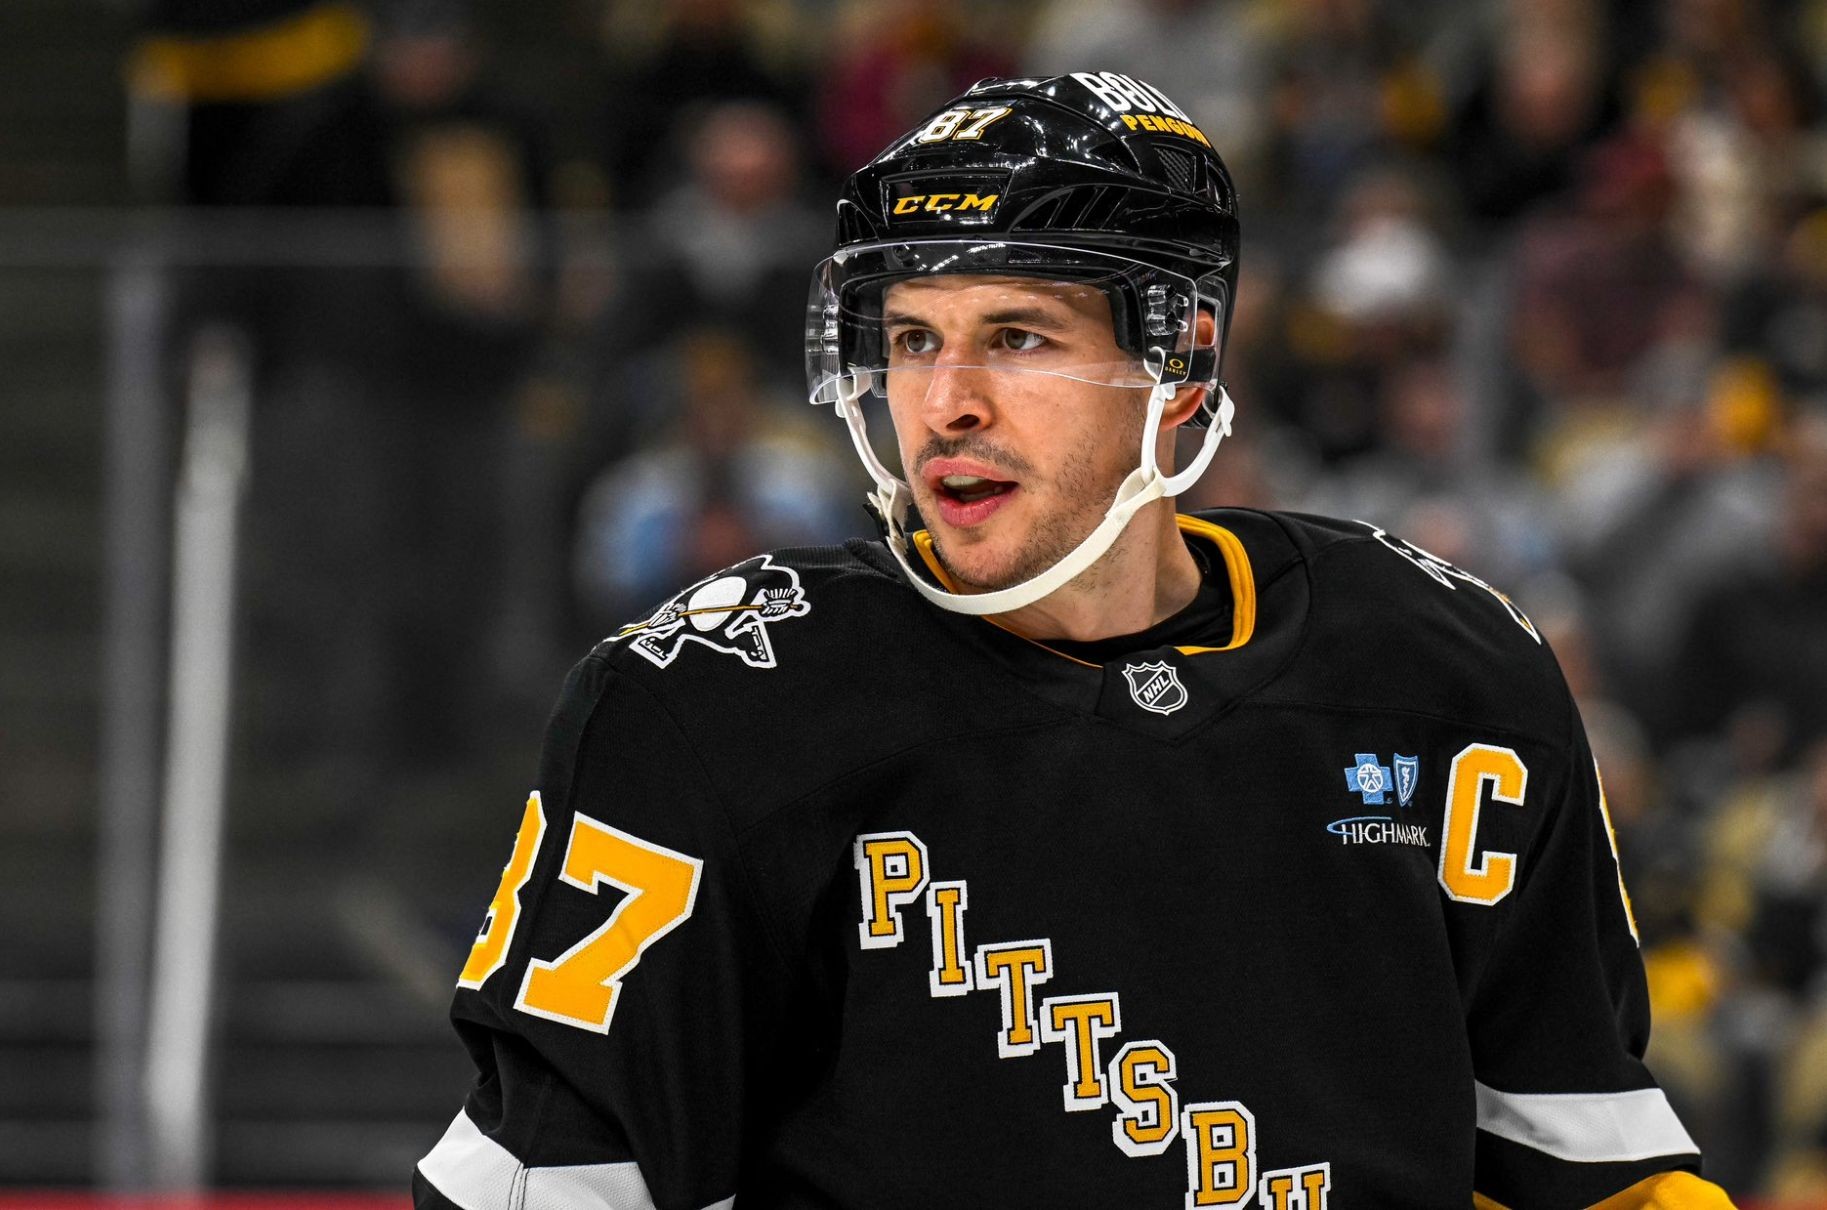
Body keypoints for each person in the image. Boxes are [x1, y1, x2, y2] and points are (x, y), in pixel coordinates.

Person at [414, 73, 1735, 1208]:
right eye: (913, 338)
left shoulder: (1446, 677)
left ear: (1186, 365)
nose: (947, 404)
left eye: (1017, 337)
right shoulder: (710, 707)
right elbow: (549, 1183)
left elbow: (1592, 1173)